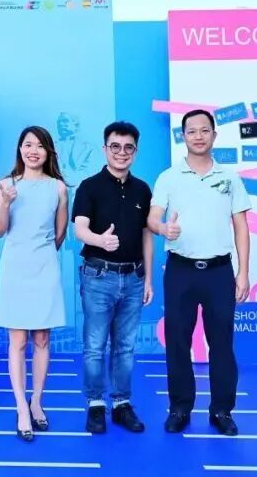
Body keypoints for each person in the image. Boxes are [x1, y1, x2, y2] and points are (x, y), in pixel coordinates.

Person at [148, 109, 251, 436]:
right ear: (183, 136)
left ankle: (221, 410)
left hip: (220, 271)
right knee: (178, 342)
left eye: (204, 130)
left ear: (214, 135)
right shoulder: (168, 177)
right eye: (191, 131)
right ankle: (180, 408)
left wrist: (243, 272)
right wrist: (163, 229)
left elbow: (241, 226)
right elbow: (152, 218)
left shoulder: (229, 177)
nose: (198, 136)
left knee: (222, 343)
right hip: (180, 270)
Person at [72, 121, 154, 434]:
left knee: (125, 347)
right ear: (105, 148)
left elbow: (147, 235)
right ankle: (95, 404)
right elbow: (80, 229)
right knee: (95, 346)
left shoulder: (142, 189)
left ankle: (121, 404)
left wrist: (148, 278)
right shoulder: (89, 186)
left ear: (136, 151)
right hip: (98, 276)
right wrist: (100, 240)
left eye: (128, 147)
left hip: (134, 278)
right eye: (115, 146)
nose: (122, 152)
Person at [0, 126, 69, 443]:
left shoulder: (58, 188)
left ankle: (37, 401)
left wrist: (42, 256)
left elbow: (60, 234)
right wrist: (5, 203)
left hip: (45, 268)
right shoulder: (5, 185)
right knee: (18, 341)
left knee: (41, 339)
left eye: (39, 145)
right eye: (27, 144)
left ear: (48, 151)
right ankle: (21, 408)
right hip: (14, 269)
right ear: (19, 149)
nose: (33, 151)